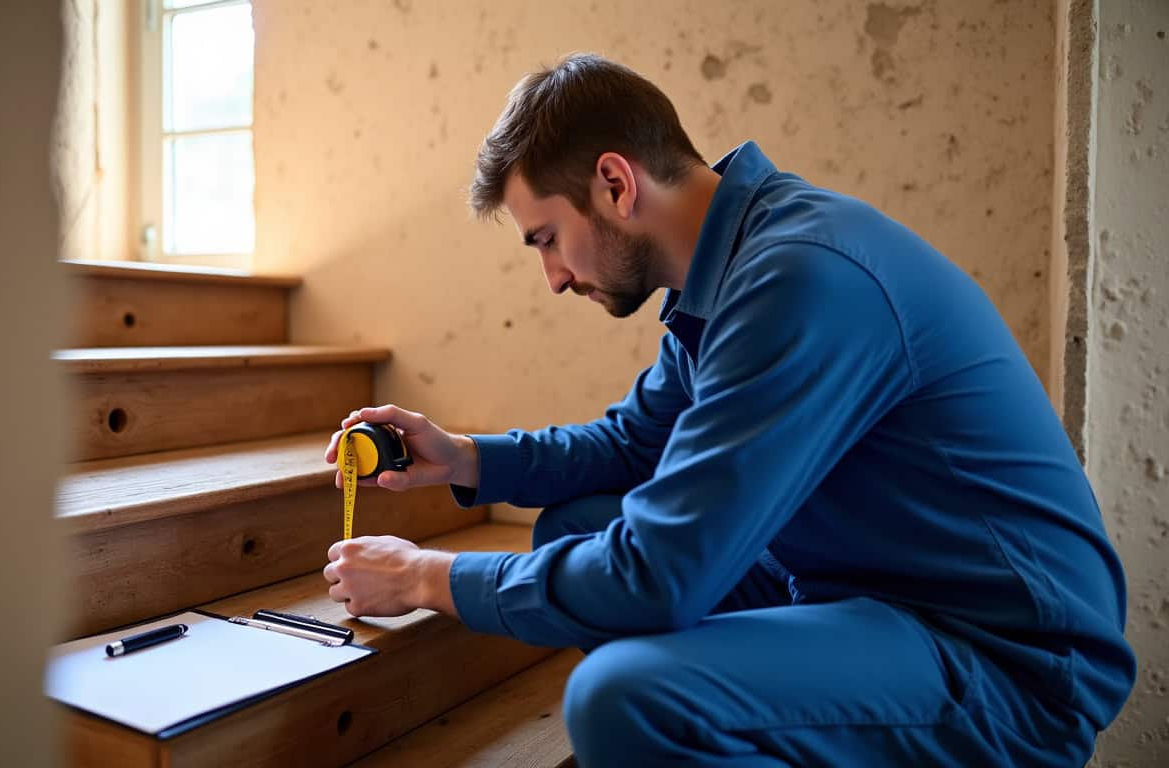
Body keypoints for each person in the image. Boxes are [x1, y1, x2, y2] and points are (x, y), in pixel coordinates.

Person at [320, 53, 1134, 767]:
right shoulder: (728, 273)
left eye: (545, 239)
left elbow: (660, 577)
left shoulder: (799, 278)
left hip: (1004, 659)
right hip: (859, 591)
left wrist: (428, 576)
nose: (554, 277)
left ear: (614, 183)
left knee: (623, 698)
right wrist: (465, 457)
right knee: (576, 523)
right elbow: (634, 443)